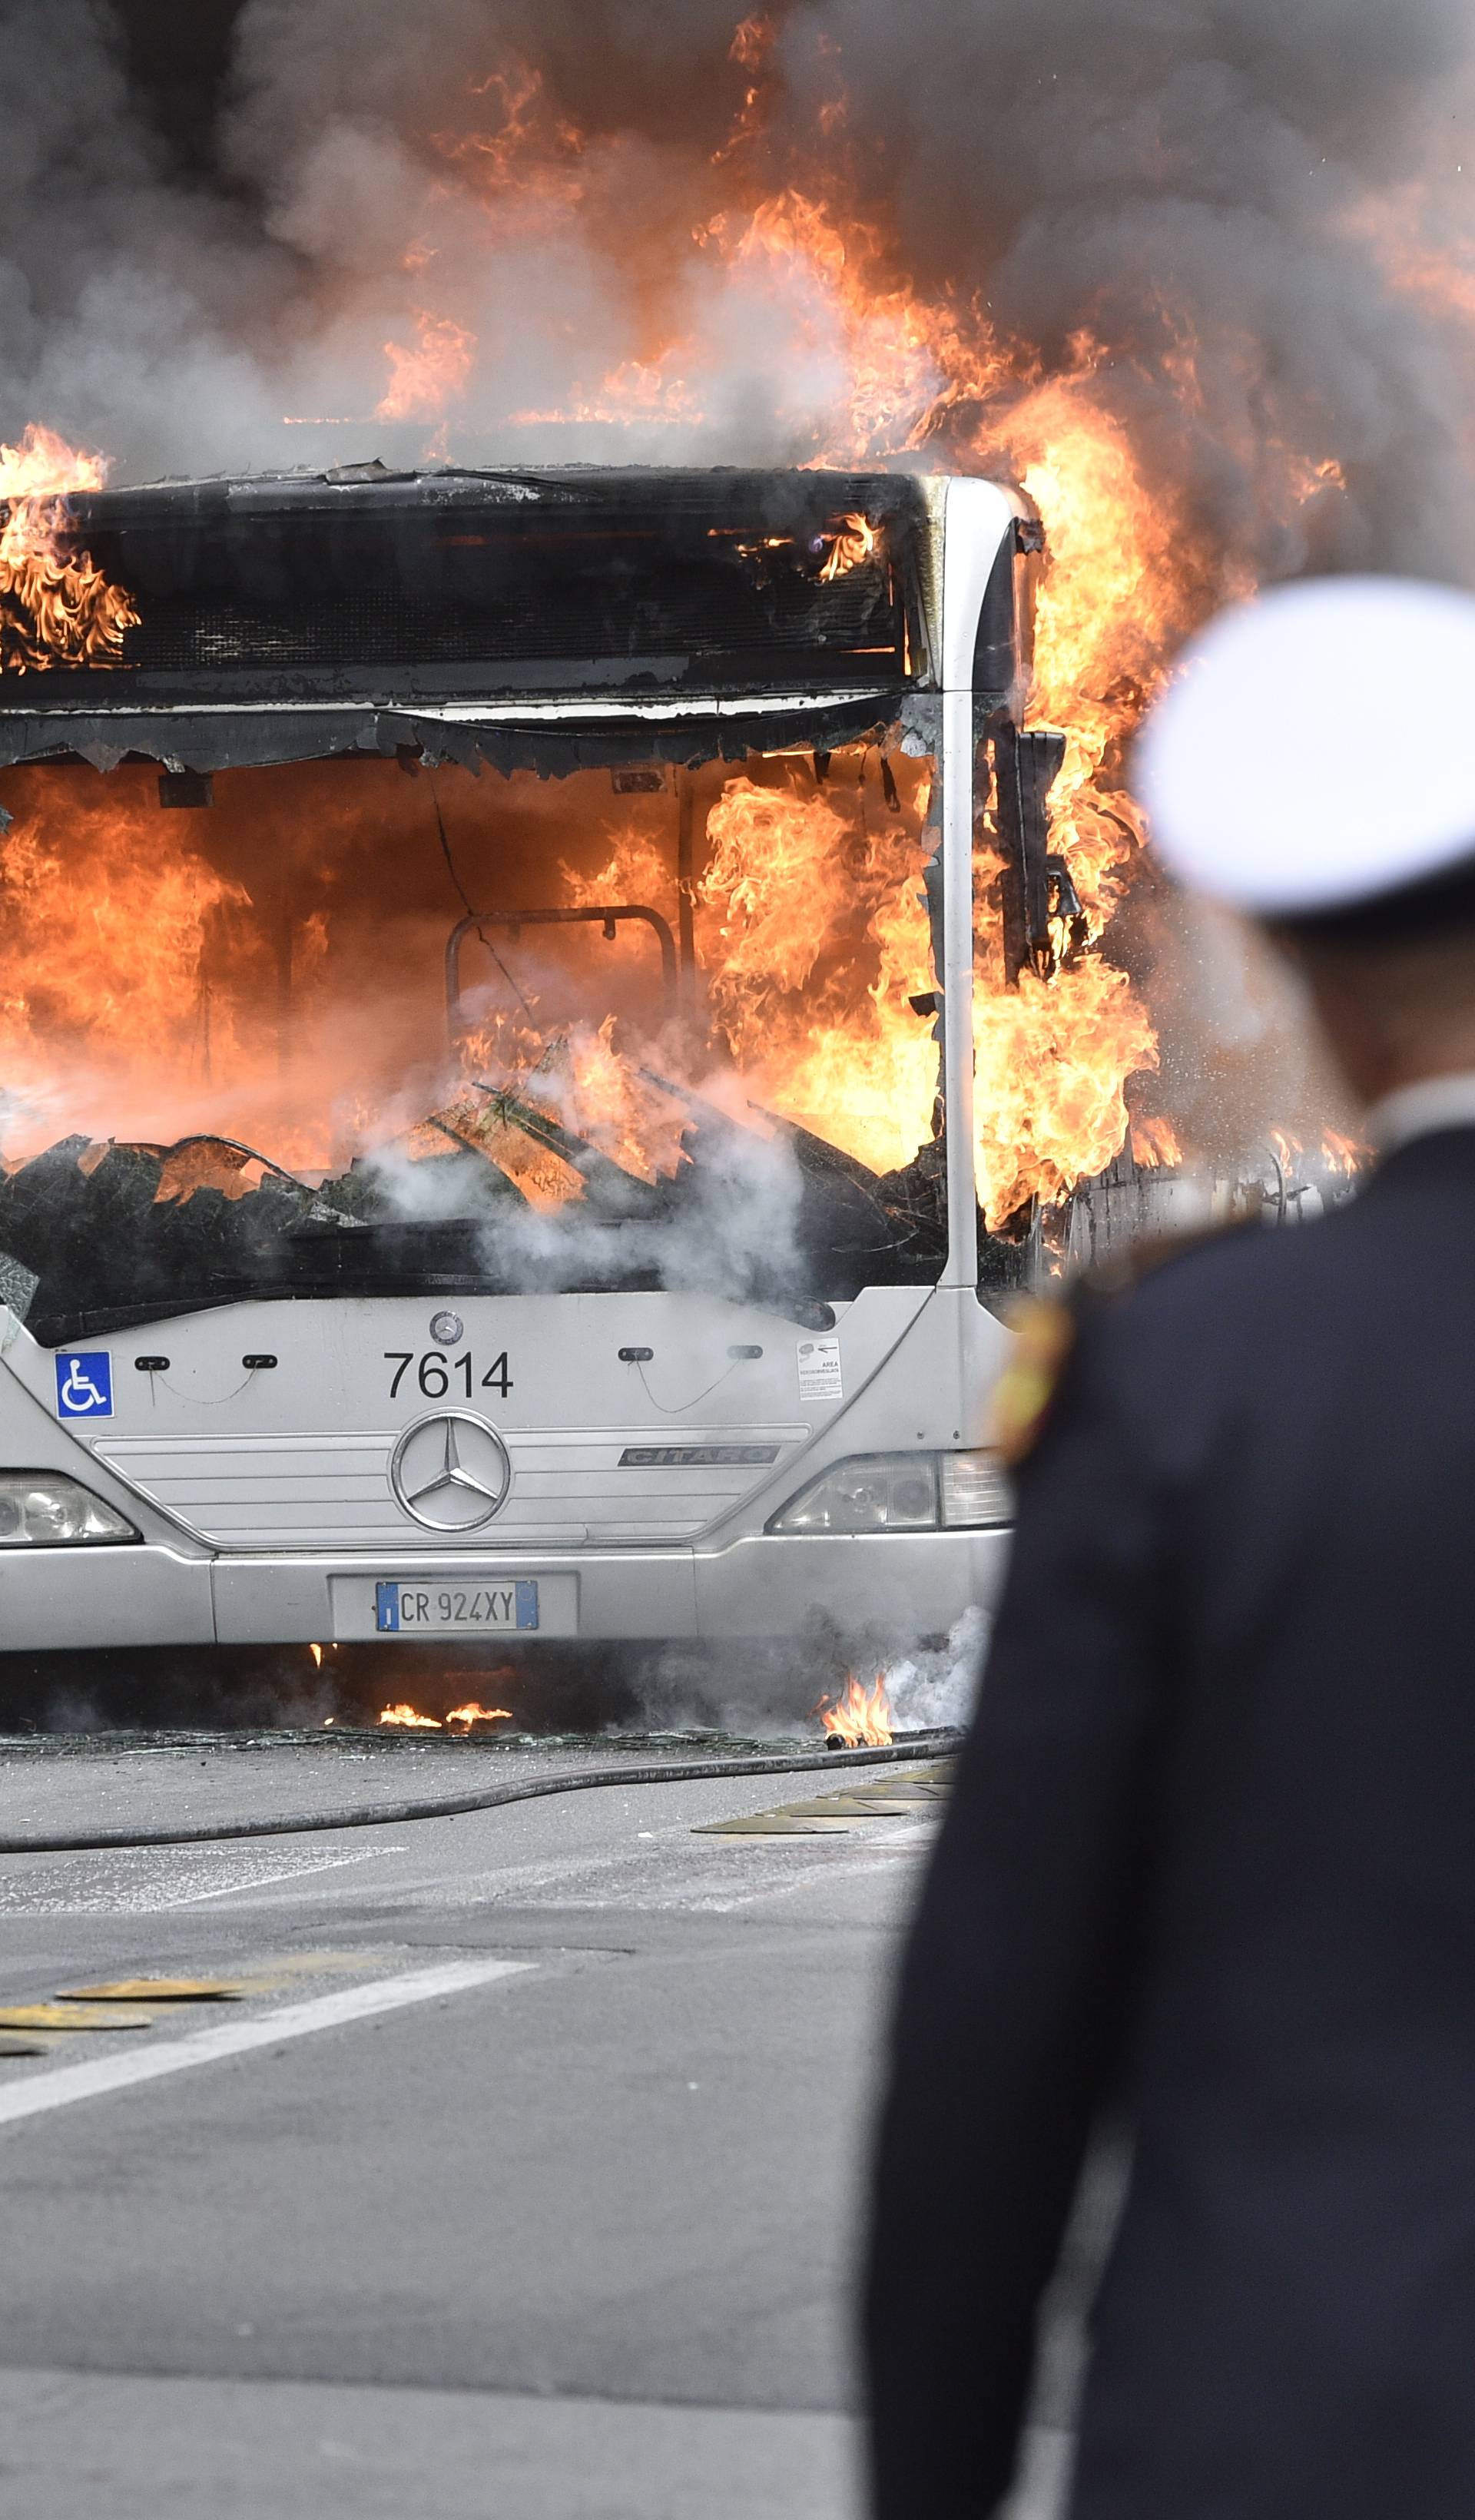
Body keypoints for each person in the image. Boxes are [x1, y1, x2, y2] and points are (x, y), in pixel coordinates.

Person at [864, 575, 1475, 2520]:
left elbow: (999, 2027)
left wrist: (936, 2482)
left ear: (1290, 949)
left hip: (1297, 2419)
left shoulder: (1190, 1371)